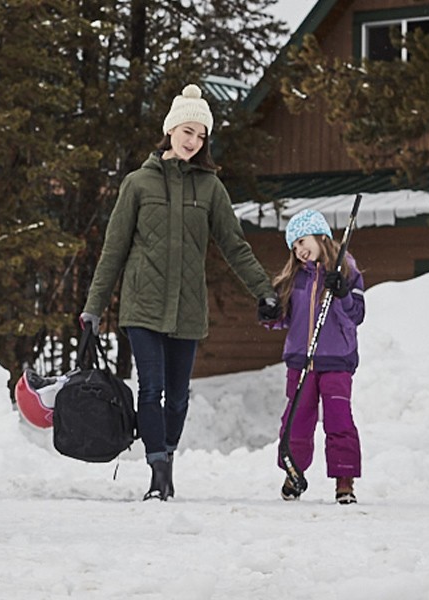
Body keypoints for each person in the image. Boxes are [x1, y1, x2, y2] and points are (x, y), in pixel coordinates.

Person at [80, 84, 279, 501]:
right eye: (188, 130)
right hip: (143, 304)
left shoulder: (210, 189)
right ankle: (157, 474)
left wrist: (264, 290)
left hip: (187, 308)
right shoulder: (137, 184)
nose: (193, 141)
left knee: (178, 396)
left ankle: (167, 458)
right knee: (150, 389)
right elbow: (113, 250)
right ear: (171, 129)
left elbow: (234, 245)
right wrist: (93, 308)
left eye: (201, 135)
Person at [265, 209, 366, 505]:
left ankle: (344, 481)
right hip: (301, 361)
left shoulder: (347, 271)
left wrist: (343, 291)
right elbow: (284, 318)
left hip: (336, 360)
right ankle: (293, 472)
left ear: (321, 236)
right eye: (293, 246)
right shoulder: (294, 277)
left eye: (302, 241)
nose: (299, 250)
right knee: (296, 421)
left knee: (339, 421)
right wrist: (269, 314)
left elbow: (356, 315)